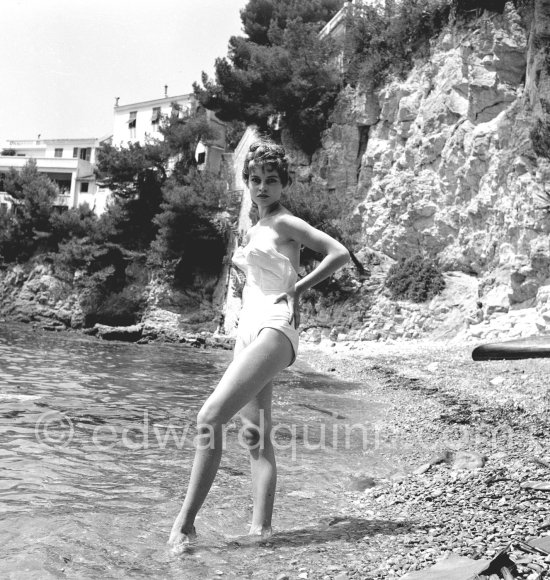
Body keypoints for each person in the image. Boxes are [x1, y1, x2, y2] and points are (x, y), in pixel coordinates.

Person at [168, 139, 350, 549]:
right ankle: (261, 531)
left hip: (275, 326)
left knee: (208, 418)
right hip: (248, 331)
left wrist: (298, 291)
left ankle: (184, 524)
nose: (262, 187)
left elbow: (338, 253)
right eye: (254, 179)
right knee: (254, 437)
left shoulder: (286, 222)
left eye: (270, 180)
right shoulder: (252, 228)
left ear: (283, 184)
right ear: (247, 183)